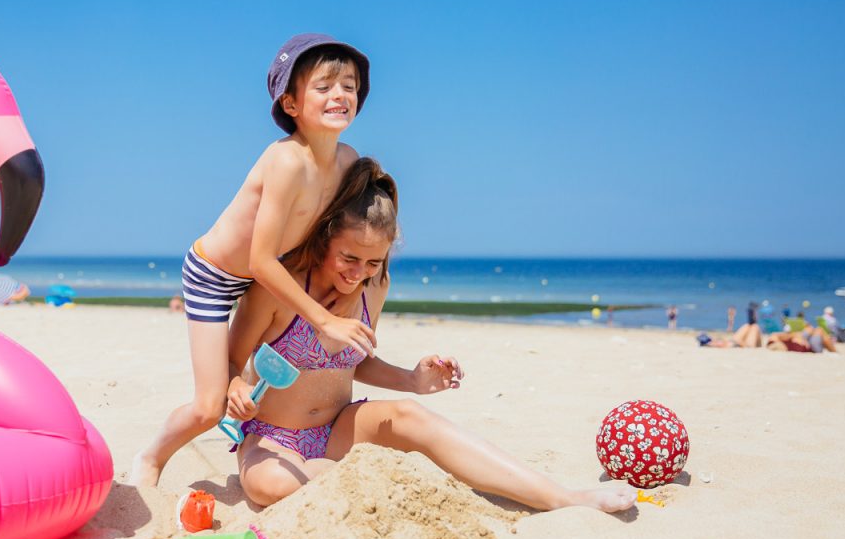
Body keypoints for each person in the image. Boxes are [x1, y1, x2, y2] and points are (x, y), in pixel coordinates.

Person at [225, 158, 637, 513]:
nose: (358, 273)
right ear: (324, 236)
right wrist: (236, 390)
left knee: (410, 415)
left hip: (339, 429)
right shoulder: (278, 292)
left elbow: (355, 360)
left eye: (373, 261)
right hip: (273, 438)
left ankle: (560, 497)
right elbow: (229, 361)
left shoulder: (374, 287)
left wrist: (412, 380)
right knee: (267, 487)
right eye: (349, 258)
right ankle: (371, 481)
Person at [130, 34, 376, 487]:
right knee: (208, 406)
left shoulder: (348, 161)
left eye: (350, 85)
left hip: (276, 273)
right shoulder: (285, 161)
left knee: (245, 379)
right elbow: (261, 260)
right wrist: (322, 320)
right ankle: (151, 457)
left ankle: (265, 426)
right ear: (291, 104)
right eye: (323, 87)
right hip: (215, 275)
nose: (340, 95)